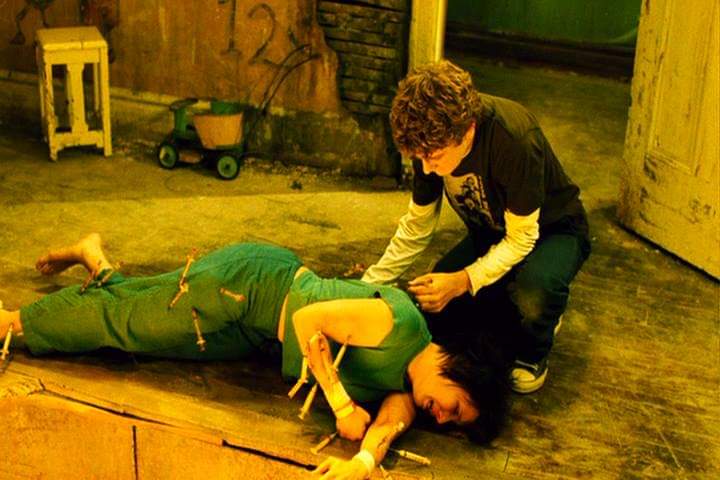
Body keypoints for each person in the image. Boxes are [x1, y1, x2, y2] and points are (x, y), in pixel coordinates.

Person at [0, 233, 509, 479]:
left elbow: (388, 424)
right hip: (250, 285)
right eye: (455, 408)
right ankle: (12, 321)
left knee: (148, 331)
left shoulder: (407, 385)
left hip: (257, 334)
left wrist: (362, 461)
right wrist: (339, 402)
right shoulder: (401, 323)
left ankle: (94, 257)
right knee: (130, 322)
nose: (441, 418)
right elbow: (307, 321)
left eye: (450, 424)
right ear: (460, 370)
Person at [362, 60, 591, 394]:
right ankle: (510, 306)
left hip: (553, 231)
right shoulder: (428, 141)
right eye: (420, 158)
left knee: (534, 292)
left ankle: (535, 345)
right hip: (492, 233)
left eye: (434, 158)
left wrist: (464, 280)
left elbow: (522, 238)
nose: (427, 168)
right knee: (435, 308)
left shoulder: (514, 139)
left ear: (468, 131)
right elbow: (417, 226)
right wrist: (369, 286)